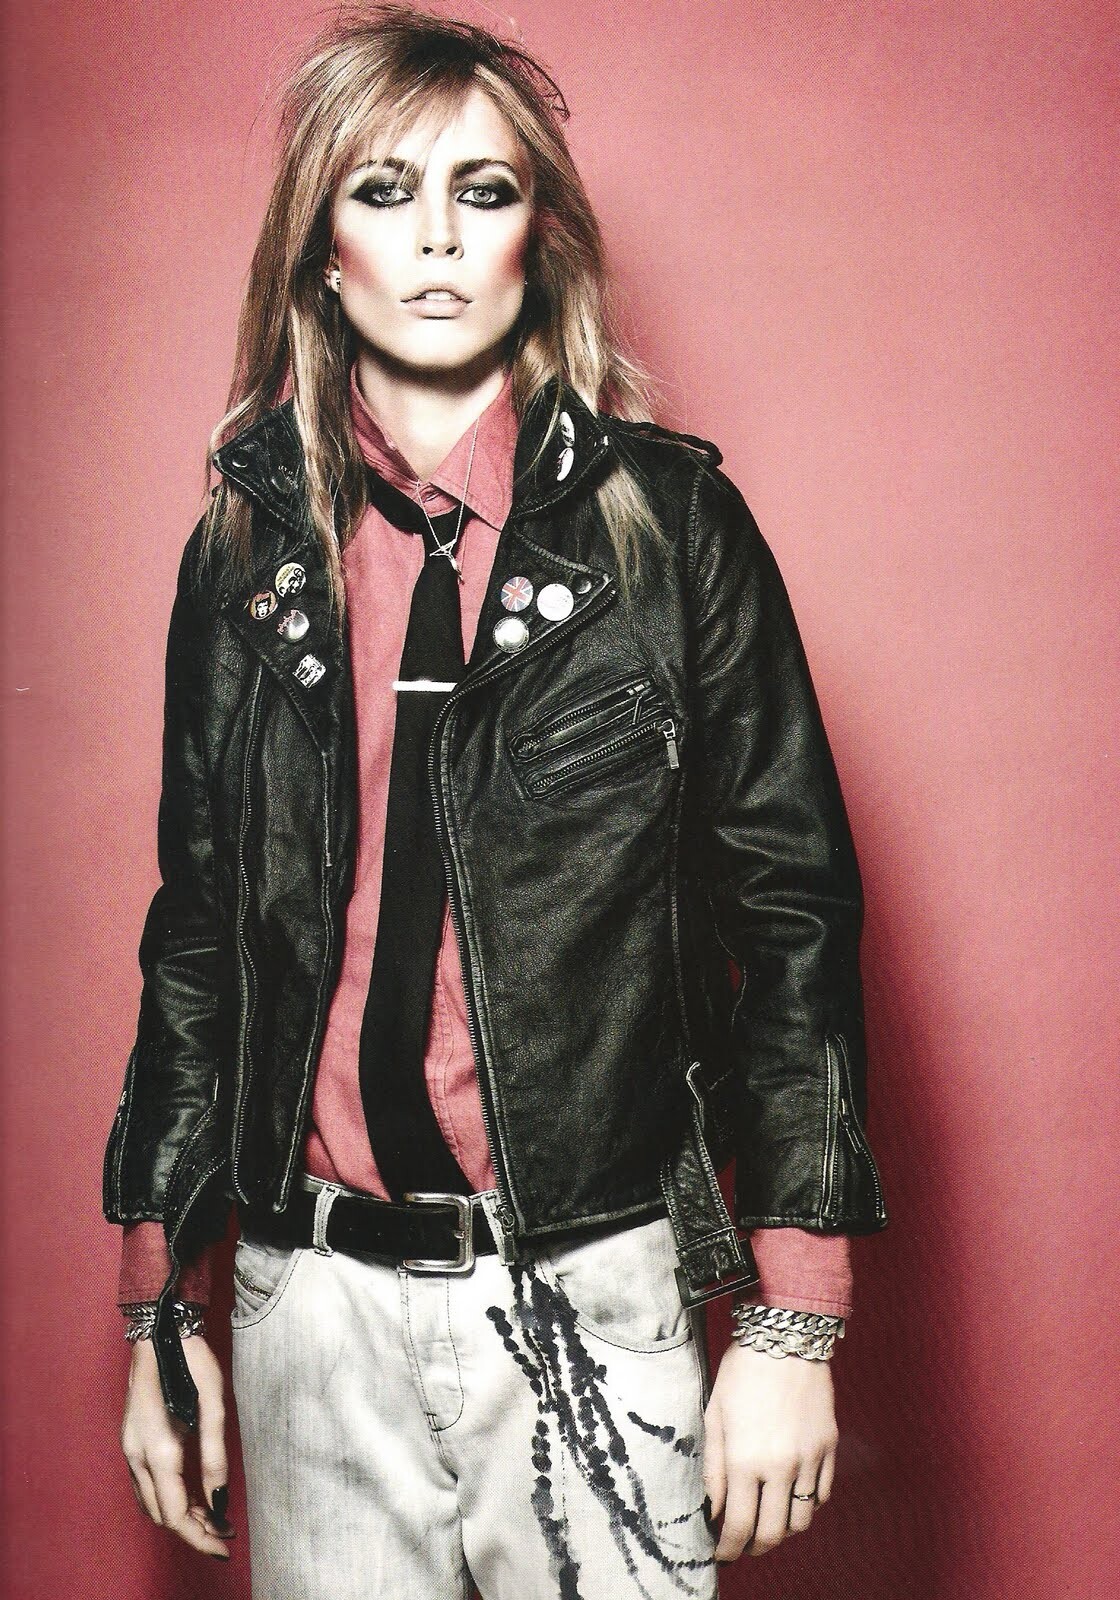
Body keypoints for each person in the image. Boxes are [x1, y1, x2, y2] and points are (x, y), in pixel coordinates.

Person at [104, 7, 889, 1596]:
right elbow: (198, 939)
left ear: (544, 238)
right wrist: (159, 1307)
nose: (439, 239)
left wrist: (793, 1321)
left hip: (592, 1290)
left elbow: (794, 918)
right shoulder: (242, 557)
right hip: (307, 1304)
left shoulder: (673, 531)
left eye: (485, 190)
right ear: (321, 253)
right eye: (384, 192)